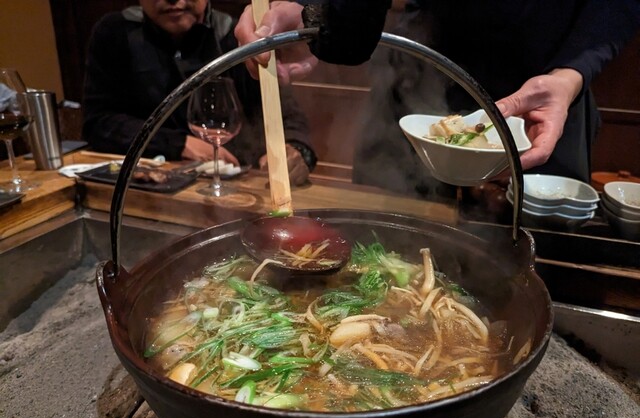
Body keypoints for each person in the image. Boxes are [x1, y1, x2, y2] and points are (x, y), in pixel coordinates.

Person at [235, 0, 640, 187]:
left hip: (546, 94)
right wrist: (317, 13)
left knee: (532, 270)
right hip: (421, 72)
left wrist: (570, 75)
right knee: (380, 240)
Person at [82, 0, 317, 185]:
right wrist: (178, 143)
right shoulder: (115, 33)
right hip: (144, 184)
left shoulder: (236, 36)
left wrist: (295, 149)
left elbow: (287, 116)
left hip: (235, 188)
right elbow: (98, 123)